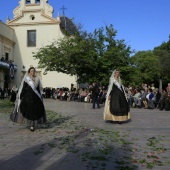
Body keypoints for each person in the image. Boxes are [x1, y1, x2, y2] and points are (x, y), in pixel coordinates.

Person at [10, 67, 47, 131]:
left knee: (35, 110)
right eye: (31, 71)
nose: (33, 72)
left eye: (33, 71)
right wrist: (21, 96)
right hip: (28, 97)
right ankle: (31, 124)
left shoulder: (37, 79)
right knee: (29, 111)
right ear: (29, 72)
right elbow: (24, 88)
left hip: (35, 97)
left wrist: (40, 95)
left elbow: (38, 89)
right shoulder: (26, 79)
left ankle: (33, 124)